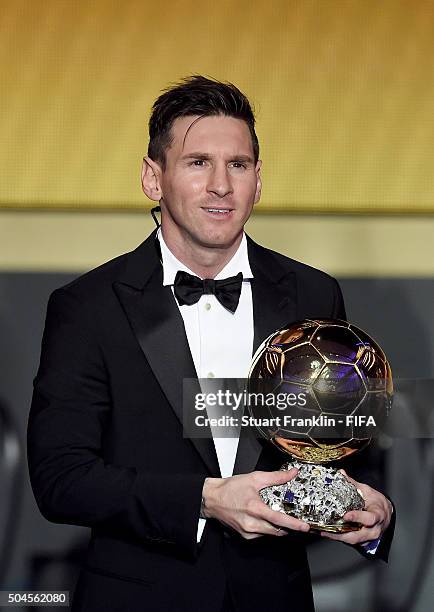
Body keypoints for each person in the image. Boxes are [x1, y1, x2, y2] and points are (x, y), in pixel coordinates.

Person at [28, 76, 394, 612]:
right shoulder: (88, 307)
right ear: (153, 178)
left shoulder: (313, 293)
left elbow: (343, 449)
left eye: (238, 165)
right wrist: (205, 499)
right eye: (198, 162)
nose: (221, 184)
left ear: (259, 180)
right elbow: (61, 480)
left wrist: (369, 512)